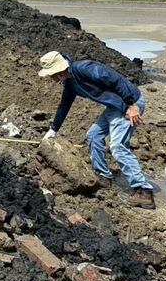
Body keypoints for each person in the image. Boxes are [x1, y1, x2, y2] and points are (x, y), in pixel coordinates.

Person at [38, 50, 155, 209]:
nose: (50, 78)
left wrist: (130, 104)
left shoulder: (83, 68)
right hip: (114, 106)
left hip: (129, 103)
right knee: (93, 135)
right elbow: (64, 106)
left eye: (50, 74)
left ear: (57, 69)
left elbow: (115, 79)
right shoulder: (71, 84)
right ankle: (103, 176)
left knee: (117, 147)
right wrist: (52, 130)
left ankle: (144, 191)